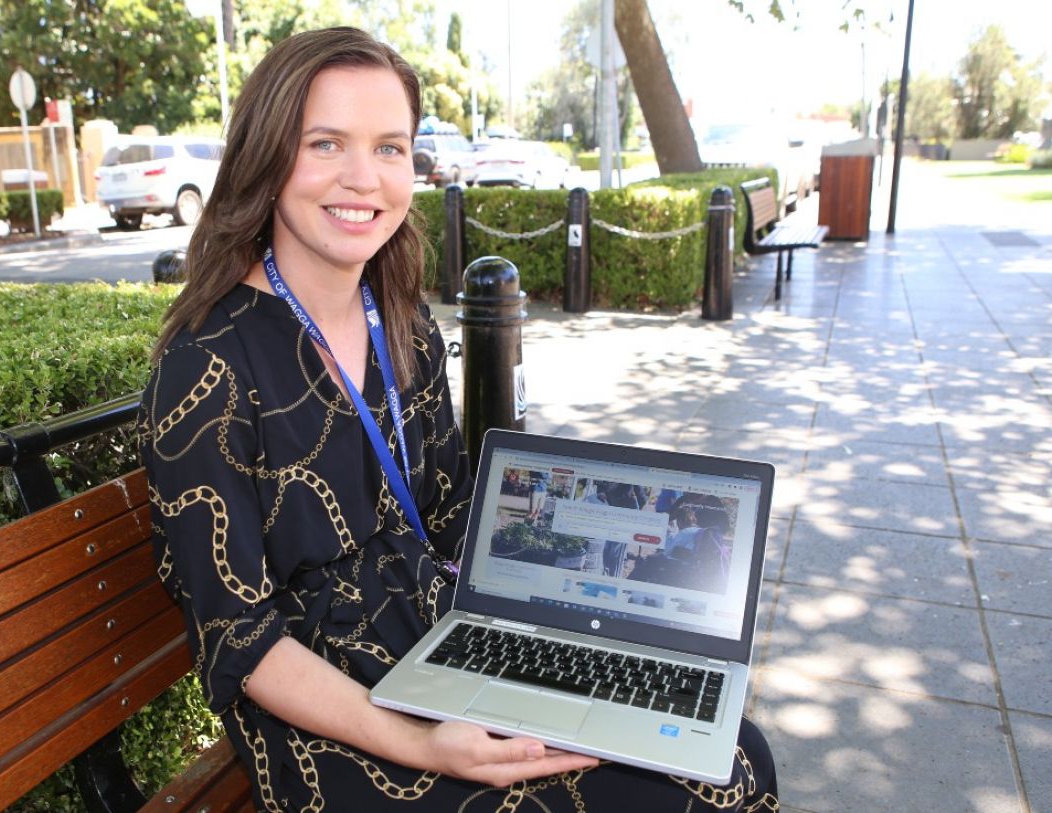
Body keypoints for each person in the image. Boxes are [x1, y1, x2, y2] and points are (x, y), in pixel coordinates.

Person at [139, 26, 778, 812]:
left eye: (390, 148)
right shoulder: (207, 367)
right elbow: (239, 638)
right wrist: (419, 740)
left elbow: (449, 519)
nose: (362, 177)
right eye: (326, 144)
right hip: (327, 712)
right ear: (267, 155)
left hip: (436, 636)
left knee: (735, 751)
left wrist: (593, 592)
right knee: (680, 796)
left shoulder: (400, 324)